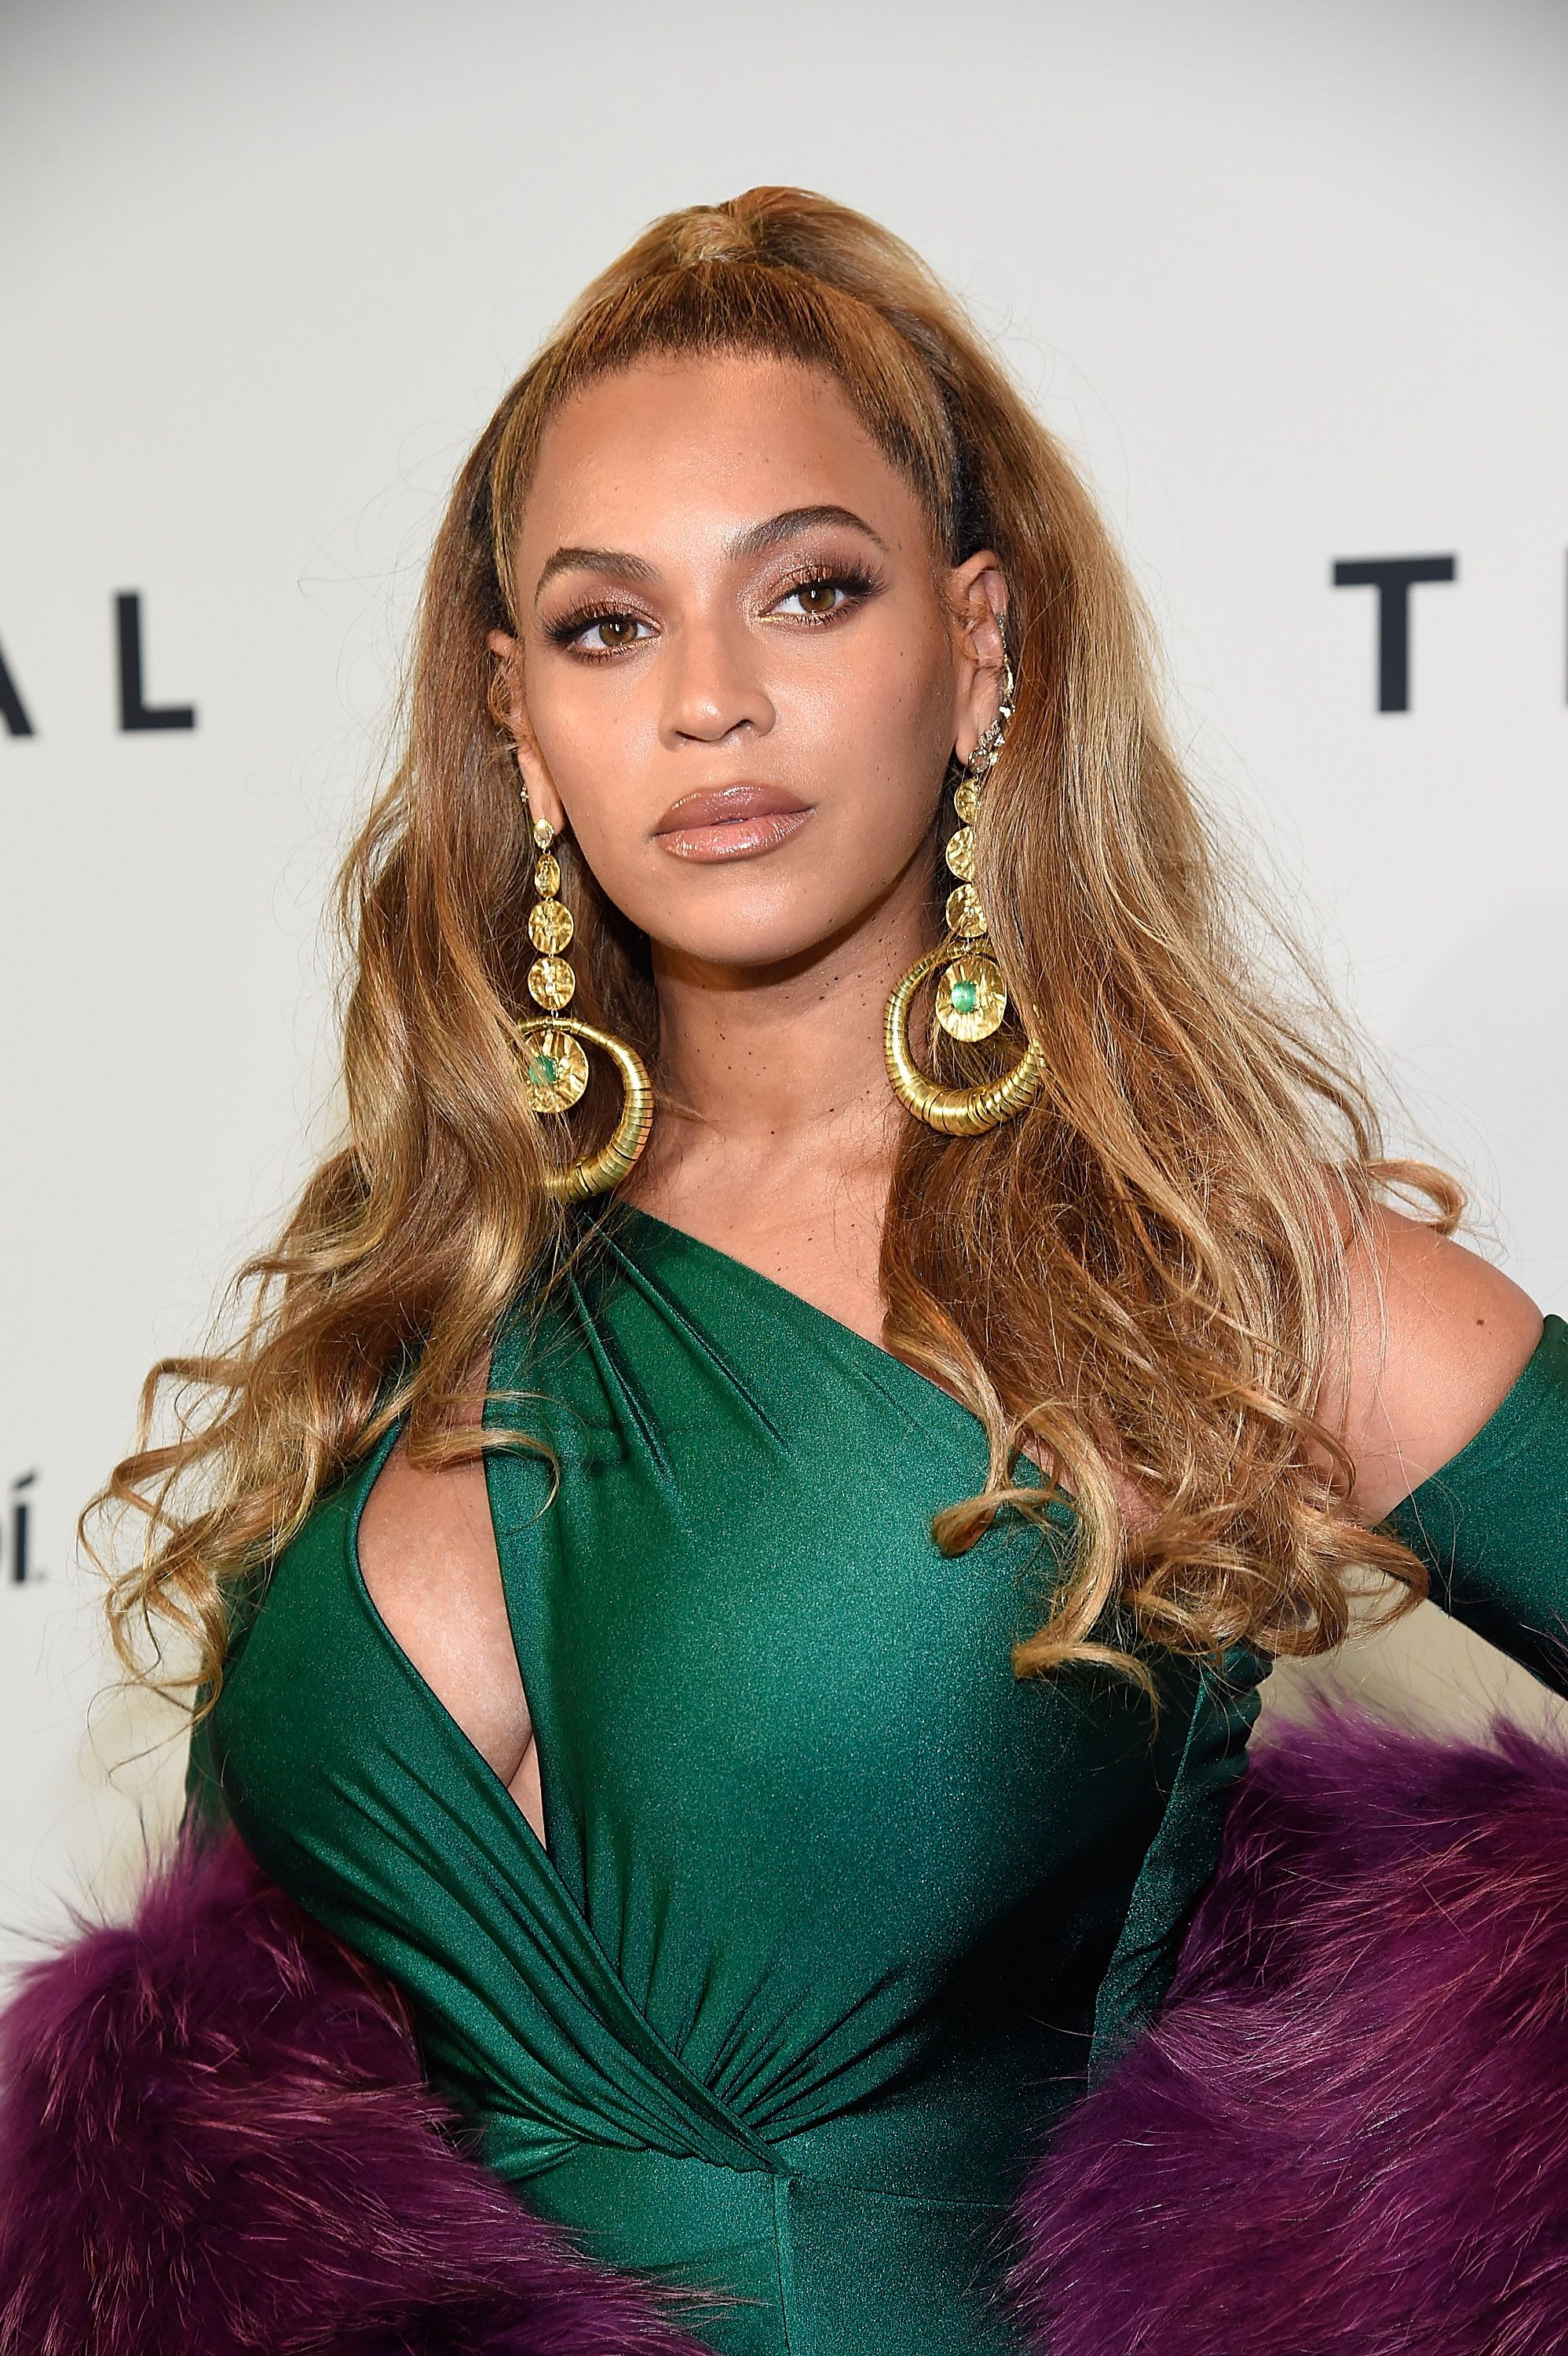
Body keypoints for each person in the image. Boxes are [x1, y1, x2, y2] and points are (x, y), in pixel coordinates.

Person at [53, 188, 1568, 2353]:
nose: (711, 702)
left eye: (811, 590)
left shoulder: (1191, 1271)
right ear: (513, 715)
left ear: (977, 651)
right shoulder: (405, 1310)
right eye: (606, 626)